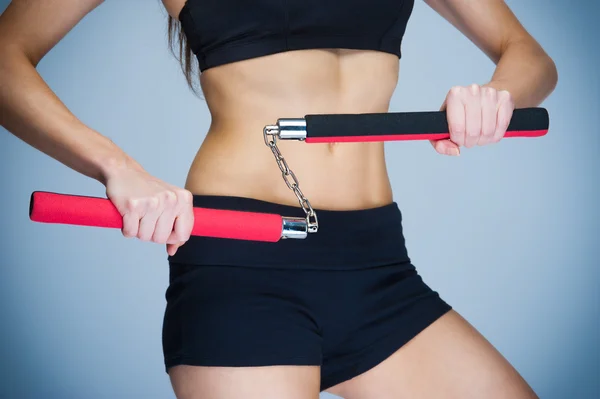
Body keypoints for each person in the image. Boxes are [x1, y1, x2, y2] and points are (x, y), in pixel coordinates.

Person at [0, 0, 557, 398]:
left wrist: (495, 97)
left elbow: (528, 55)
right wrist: (115, 166)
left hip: (377, 265)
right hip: (243, 266)